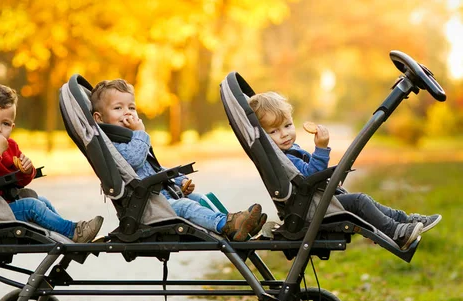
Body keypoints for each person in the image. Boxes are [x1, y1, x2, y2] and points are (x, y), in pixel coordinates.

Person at [248, 91, 441, 250]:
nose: (284, 134)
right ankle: (397, 232)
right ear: (263, 137)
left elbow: (307, 177)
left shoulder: (288, 151)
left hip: (312, 201)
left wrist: (326, 182)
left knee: (363, 200)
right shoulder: (284, 159)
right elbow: (308, 176)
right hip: (310, 210)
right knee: (359, 201)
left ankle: (404, 221)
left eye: (287, 125)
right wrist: (322, 149)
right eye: (273, 131)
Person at [90, 79, 266, 241]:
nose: (127, 113)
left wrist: (179, 180)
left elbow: (152, 168)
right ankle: (226, 224)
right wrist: (140, 133)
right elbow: (135, 160)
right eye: (118, 108)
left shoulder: (128, 139)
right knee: (185, 206)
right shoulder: (113, 144)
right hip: (145, 210)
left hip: (159, 200)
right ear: (99, 118)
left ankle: (235, 225)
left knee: (199, 198)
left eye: (131, 108)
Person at [0, 83, 103, 243]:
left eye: (5, 124)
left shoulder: (10, 146)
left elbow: (20, 182)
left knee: (42, 202)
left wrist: (27, 171)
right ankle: (73, 231)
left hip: (8, 203)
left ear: (12, 126)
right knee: (32, 207)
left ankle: (65, 236)